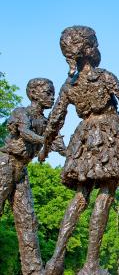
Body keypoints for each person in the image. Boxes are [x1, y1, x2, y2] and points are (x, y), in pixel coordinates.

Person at [38, 26, 119, 275]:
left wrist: (44, 149)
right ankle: (91, 265)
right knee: (105, 193)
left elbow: (55, 121)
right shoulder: (105, 77)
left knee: (80, 196)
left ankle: (55, 261)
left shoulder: (68, 86)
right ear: (90, 49)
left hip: (84, 139)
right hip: (108, 137)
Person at [0, 78, 66, 275]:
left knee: (27, 218)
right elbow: (25, 132)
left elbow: (60, 146)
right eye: (47, 93)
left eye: (53, 93)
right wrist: (47, 140)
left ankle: (33, 270)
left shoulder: (47, 123)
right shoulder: (22, 113)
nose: (52, 97)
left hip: (21, 171)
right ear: (34, 94)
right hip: (5, 164)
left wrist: (73, 152)